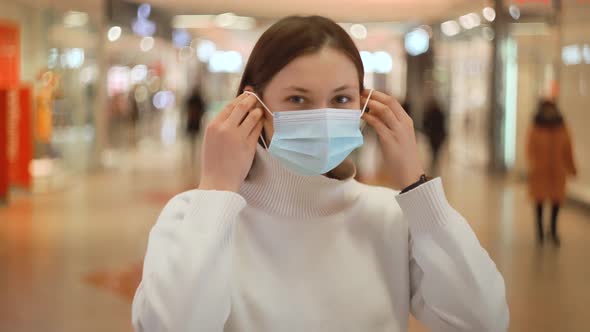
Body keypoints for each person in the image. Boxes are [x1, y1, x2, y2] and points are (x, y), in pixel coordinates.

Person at [132, 16, 508, 332]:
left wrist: (419, 189)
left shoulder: (392, 218)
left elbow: (483, 320)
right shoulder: (194, 216)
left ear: (363, 104)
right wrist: (215, 192)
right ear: (252, 104)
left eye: (341, 99)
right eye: (298, 99)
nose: (323, 116)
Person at [526, 100, 577, 246]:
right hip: (540, 172)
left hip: (557, 172)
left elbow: (568, 150)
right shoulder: (535, 127)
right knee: (539, 202)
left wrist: (572, 167)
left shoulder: (563, 128)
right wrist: (533, 164)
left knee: (556, 202)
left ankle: (553, 231)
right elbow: (530, 148)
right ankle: (540, 232)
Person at [422, 99, 447, 174]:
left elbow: (426, 124)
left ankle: (434, 164)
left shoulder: (430, 113)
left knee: (434, 150)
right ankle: (435, 164)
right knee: (435, 151)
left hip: (433, 135)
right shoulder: (440, 112)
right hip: (438, 135)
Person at [184, 86, 207, 168]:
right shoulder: (195, 100)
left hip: (194, 121)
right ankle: (193, 152)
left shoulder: (193, 100)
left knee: (193, 138)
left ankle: (193, 152)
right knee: (193, 138)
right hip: (194, 121)